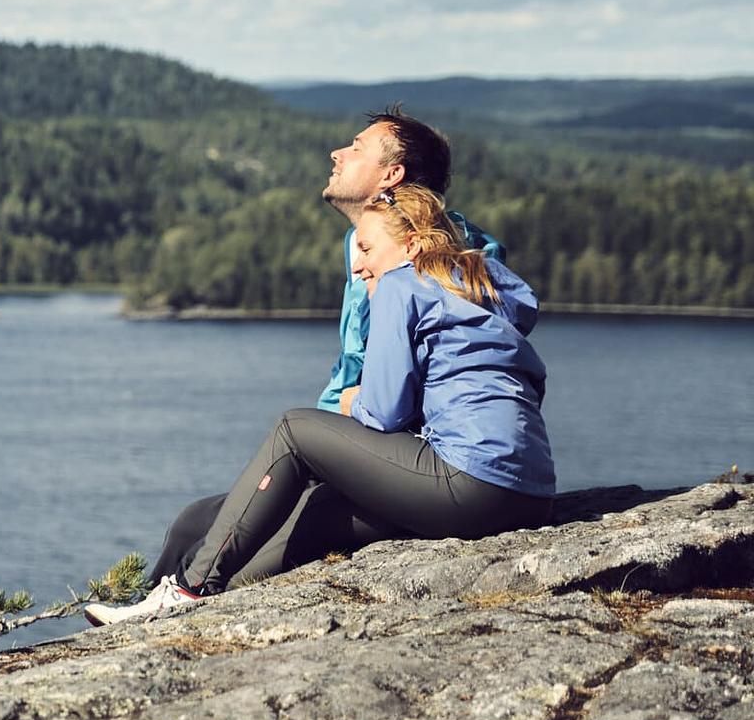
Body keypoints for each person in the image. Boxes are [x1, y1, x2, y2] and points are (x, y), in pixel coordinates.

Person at [87, 185, 553, 624]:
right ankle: (215, 595)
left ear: (411, 246)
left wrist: (352, 400)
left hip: (468, 482)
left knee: (295, 429)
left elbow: (384, 412)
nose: (359, 266)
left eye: (367, 249)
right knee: (323, 510)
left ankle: (187, 589)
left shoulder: (402, 284)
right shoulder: (480, 288)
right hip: (529, 495)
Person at [140, 105, 504, 591]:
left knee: (249, 565)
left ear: (391, 175)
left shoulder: (455, 254)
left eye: (356, 148)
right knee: (194, 520)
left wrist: (345, 423)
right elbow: (354, 363)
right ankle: (138, 623)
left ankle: (176, 612)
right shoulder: (359, 244)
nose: (337, 153)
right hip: (337, 453)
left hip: (405, 464)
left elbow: (458, 379)